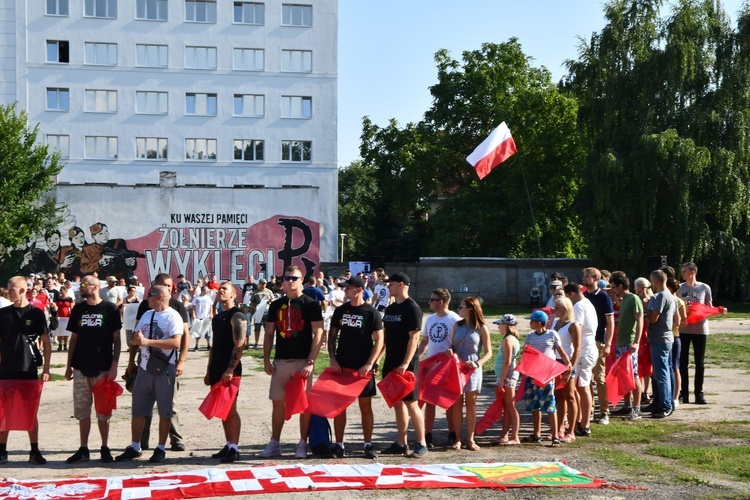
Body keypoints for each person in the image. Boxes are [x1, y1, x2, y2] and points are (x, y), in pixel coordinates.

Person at [260, 266, 324, 459]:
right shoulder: (276, 305)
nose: (290, 281)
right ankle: (275, 443)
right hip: (280, 360)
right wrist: (266, 359)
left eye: (294, 278)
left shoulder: (310, 304)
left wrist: (311, 361)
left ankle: (302, 443)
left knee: (303, 404)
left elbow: (319, 332)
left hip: (302, 360)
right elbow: (269, 333)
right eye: (287, 278)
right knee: (277, 402)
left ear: (301, 279)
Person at [115, 285, 183, 462]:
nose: (147, 299)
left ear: (159, 297)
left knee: (165, 411)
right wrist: (135, 340)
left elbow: (176, 342)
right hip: (144, 368)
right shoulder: (146, 314)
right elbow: (134, 339)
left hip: (164, 369)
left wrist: (147, 341)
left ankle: (160, 448)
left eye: (150, 296)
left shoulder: (173, 316)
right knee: (138, 410)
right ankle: (135, 446)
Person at [64, 275, 122, 464]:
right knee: (82, 411)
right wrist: (68, 365)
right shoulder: (79, 308)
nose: (81, 288)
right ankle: (83, 448)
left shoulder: (110, 309)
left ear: (95, 287)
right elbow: (73, 338)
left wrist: (114, 365)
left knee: (103, 412)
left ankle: (104, 447)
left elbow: (117, 339)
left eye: (84, 285)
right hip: (81, 367)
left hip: (103, 368)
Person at [129, 273, 190, 451]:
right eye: (165, 285)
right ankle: (140, 442)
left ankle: (174, 439)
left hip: (166, 364)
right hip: (145, 362)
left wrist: (182, 361)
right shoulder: (146, 309)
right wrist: (132, 360)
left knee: (170, 405)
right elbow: (136, 334)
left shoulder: (177, 308)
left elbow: (184, 337)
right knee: (142, 406)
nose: (169, 288)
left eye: (170, 285)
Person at [326, 276, 384, 459]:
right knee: (339, 406)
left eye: (348, 288)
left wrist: (369, 363)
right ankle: (339, 445)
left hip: (362, 368)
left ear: (358, 290)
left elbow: (379, 340)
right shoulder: (341, 311)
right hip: (342, 365)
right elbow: (332, 336)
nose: (344, 291)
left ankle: (367, 444)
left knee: (365, 406)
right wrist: (333, 359)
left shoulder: (372, 312)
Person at [0, 276, 51, 464]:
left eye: (12, 289)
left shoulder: (36, 314)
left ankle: (34, 450)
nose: (8, 292)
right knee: (3, 411)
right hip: (5, 370)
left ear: (22, 290)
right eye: (7, 288)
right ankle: (2, 451)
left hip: (28, 369)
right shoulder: (2, 314)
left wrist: (46, 368)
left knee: (31, 412)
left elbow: (45, 342)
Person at [380, 272, 428, 458]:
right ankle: (402, 442)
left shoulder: (412, 308)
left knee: (411, 403)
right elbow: (385, 337)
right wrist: (378, 360)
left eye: (390, 284)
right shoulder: (391, 308)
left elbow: (414, 337)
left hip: (406, 362)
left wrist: (406, 363)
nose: (388, 287)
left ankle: (422, 442)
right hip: (391, 360)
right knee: (397, 403)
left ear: (401, 285)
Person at [205, 282, 246, 463]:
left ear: (233, 295)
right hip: (216, 368)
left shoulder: (237, 315)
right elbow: (214, 346)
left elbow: (239, 344)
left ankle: (235, 448)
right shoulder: (218, 317)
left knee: (230, 409)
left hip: (230, 369)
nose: (220, 291)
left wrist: (231, 368)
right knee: (222, 409)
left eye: (225, 289)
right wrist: (208, 370)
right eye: (219, 288)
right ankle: (228, 444)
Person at [417, 288, 460, 448]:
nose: (429, 302)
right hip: (431, 366)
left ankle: (452, 432)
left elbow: (458, 344)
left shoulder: (454, 319)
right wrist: (418, 357)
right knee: (429, 400)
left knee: (448, 400)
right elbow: (425, 341)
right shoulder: (430, 319)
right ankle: (427, 434)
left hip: (447, 367)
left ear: (440, 302)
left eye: (432, 300)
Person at [520, 310, 571, 447]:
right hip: (532, 374)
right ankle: (536, 434)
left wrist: (568, 365)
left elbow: (561, 351)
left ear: (538, 322)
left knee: (549, 404)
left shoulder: (552, 334)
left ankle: (555, 436)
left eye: (531, 321)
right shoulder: (530, 336)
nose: (530, 323)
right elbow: (526, 354)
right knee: (534, 404)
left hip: (546, 376)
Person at [447, 297, 491, 451]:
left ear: (471, 309)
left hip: (473, 368)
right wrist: (450, 351)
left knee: (471, 404)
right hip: (457, 368)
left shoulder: (482, 328)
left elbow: (489, 352)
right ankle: (458, 439)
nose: (459, 309)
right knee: (457, 404)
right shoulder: (456, 325)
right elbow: (452, 345)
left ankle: (470, 439)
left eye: (461, 307)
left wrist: (477, 363)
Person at [563, 283, 598, 437]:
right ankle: (578, 420)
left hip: (584, 350)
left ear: (571, 294)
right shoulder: (588, 303)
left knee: (583, 387)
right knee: (579, 386)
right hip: (587, 348)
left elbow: (575, 328)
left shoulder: (578, 306)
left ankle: (585, 424)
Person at [609, 272, 644, 420]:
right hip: (621, 343)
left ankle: (637, 408)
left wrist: (636, 342)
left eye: (614, 287)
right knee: (624, 376)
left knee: (633, 375)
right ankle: (627, 405)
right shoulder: (624, 300)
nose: (613, 290)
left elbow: (640, 319)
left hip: (629, 343)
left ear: (621, 286)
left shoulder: (634, 298)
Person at [582, 267, 615, 425]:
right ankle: (589, 410)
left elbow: (610, 322)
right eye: (584, 276)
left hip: (598, 340)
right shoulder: (583, 296)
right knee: (585, 378)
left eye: (588, 276)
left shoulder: (603, 296)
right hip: (584, 341)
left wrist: (607, 343)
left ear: (595, 279)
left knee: (599, 377)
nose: (585, 279)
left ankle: (604, 412)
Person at [678, 262, 713, 405]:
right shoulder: (680, 288)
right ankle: (683, 394)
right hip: (683, 329)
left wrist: (704, 310)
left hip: (700, 330)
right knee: (682, 362)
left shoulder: (704, 287)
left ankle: (699, 394)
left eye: (685, 271)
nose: (682, 274)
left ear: (692, 272)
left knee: (699, 362)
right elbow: (676, 306)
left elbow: (709, 308)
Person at [551, 296, 581, 442]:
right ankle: (560, 427)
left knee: (570, 396)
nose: (554, 310)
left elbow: (577, 349)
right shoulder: (555, 322)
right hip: (553, 362)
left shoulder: (574, 325)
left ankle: (572, 431)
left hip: (567, 363)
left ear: (564, 309)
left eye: (556, 307)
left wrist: (571, 369)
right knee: (559, 396)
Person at [645, 270, 675, 418]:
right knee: (666, 372)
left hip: (660, 338)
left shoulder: (660, 296)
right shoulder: (670, 295)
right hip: (667, 337)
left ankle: (665, 405)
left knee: (661, 373)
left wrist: (645, 309)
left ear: (656, 282)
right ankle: (665, 402)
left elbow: (653, 318)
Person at [493, 314, 520, 445]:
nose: (498, 327)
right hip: (507, 376)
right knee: (507, 407)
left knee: (511, 406)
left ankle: (515, 436)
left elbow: (507, 362)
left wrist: (502, 381)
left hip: (508, 376)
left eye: (499, 324)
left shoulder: (508, 340)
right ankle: (504, 435)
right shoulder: (511, 339)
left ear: (505, 325)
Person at [249, 279, 274, 349]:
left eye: (265, 284)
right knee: (257, 328)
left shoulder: (269, 291)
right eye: (262, 284)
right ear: (259, 284)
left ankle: (266, 342)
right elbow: (252, 302)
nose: (263, 285)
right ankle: (256, 343)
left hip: (266, 312)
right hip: (258, 313)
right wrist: (254, 308)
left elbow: (273, 300)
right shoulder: (256, 292)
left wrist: (270, 299)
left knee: (267, 328)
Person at [191, 286, 213, 351]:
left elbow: (211, 306)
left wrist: (211, 313)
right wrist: (193, 314)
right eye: (206, 290)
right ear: (202, 290)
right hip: (199, 317)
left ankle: (208, 345)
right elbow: (193, 306)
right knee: (198, 331)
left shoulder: (208, 298)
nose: (207, 292)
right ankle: (196, 345)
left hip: (206, 317)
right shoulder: (196, 298)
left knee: (207, 331)